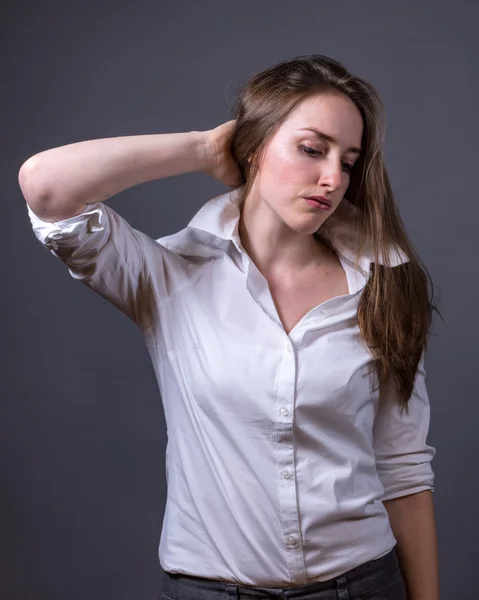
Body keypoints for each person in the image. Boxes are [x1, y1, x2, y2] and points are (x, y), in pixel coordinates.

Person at [19, 54, 440, 600]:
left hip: (362, 585)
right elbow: (47, 188)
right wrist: (201, 149)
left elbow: (403, 469)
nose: (333, 178)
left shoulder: (384, 285)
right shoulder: (169, 274)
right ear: (256, 147)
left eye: (349, 161)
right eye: (312, 150)